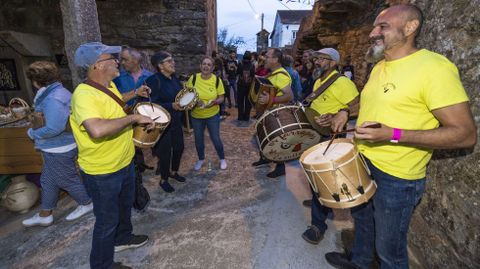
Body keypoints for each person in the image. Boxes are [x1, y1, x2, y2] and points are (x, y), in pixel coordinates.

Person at [325, 4, 477, 269]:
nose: (373, 33)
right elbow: (368, 99)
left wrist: (392, 134)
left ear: (410, 27)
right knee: (362, 221)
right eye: (374, 26)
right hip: (363, 161)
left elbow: (464, 135)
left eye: (382, 26)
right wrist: (343, 111)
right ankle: (360, 262)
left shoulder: (434, 68)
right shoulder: (380, 65)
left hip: (397, 178)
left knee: (389, 251)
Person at [71, 42, 154, 269]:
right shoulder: (83, 95)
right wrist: (134, 119)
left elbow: (115, 106)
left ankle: (123, 238)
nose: (117, 61)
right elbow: (96, 129)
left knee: (124, 206)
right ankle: (102, 265)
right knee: (107, 221)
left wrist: (134, 94)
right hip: (103, 172)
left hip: (124, 163)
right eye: (111, 58)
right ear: (97, 65)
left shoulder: (109, 86)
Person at [299, 48, 360, 245]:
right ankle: (320, 202)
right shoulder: (318, 81)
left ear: (333, 62)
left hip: (331, 135)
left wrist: (338, 114)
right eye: (315, 58)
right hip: (316, 133)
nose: (316, 61)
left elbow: (357, 104)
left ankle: (318, 225)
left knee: (323, 177)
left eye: (321, 59)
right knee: (314, 174)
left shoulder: (343, 82)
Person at [22, 61, 93, 227]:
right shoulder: (54, 92)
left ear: (35, 80)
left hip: (59, 148)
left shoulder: (54, 98)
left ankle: (87, 202)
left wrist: (33, 133)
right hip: (57, 146)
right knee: (48, 180)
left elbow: (54, 127)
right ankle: (45, 214)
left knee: (67, 180)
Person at [145, 51, 187, 193]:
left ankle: (174, 172)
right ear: (160, 66)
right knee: (165, 153)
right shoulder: (153, 81)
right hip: (162, 125)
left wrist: (188, 101)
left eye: (172, 60)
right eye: (169, 61)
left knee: (179, 148)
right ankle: (164, 180)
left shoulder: (174, 78)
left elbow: (181, 96)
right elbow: (149, 104)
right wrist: (171, 105)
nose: (173, 63)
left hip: (176, 122)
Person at [252, 48, 294, 178]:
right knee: (262, 135)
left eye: (268, 56)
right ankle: (265, 158)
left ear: (275, 60)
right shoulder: (272, 74)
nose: (264, 58)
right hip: (267, 112)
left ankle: (280, 167)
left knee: (276, 140)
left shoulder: (281, 76)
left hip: (276, 114)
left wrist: (270, 99)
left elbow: (289, 96)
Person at [113, 46, 154, 172]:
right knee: (129, 144)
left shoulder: (150, 76)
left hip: (143, 116)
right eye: (122, 60)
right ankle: (134, 168)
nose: (122, 63)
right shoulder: (117, 77)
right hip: (125, 117)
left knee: (140, 141)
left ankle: (140, 164)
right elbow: (114, 99)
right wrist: (135, 92)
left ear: (135, 60)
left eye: (125, 59)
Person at [186, 56, 227, 171]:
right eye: (204, 64)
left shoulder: (217, 80)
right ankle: (201, 159)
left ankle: (222, 158)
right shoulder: (193, 78)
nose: (206, 66)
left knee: (215, 138)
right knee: (198, 140)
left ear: (213, 68)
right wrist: (194, 100)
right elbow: (187, 95)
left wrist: (214, 102)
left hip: (212, 115)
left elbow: (221, 98)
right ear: (200, 66)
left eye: (209, 65)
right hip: (196, 116)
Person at [236, 51, 255, 124]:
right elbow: (253, 75)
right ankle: (246, 117)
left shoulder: (240, 64)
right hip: (249, 86)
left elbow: (237, 73)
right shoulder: (252, 65)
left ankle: (240, 117)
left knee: (240, 102)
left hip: (240, 85)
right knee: (248, 102)